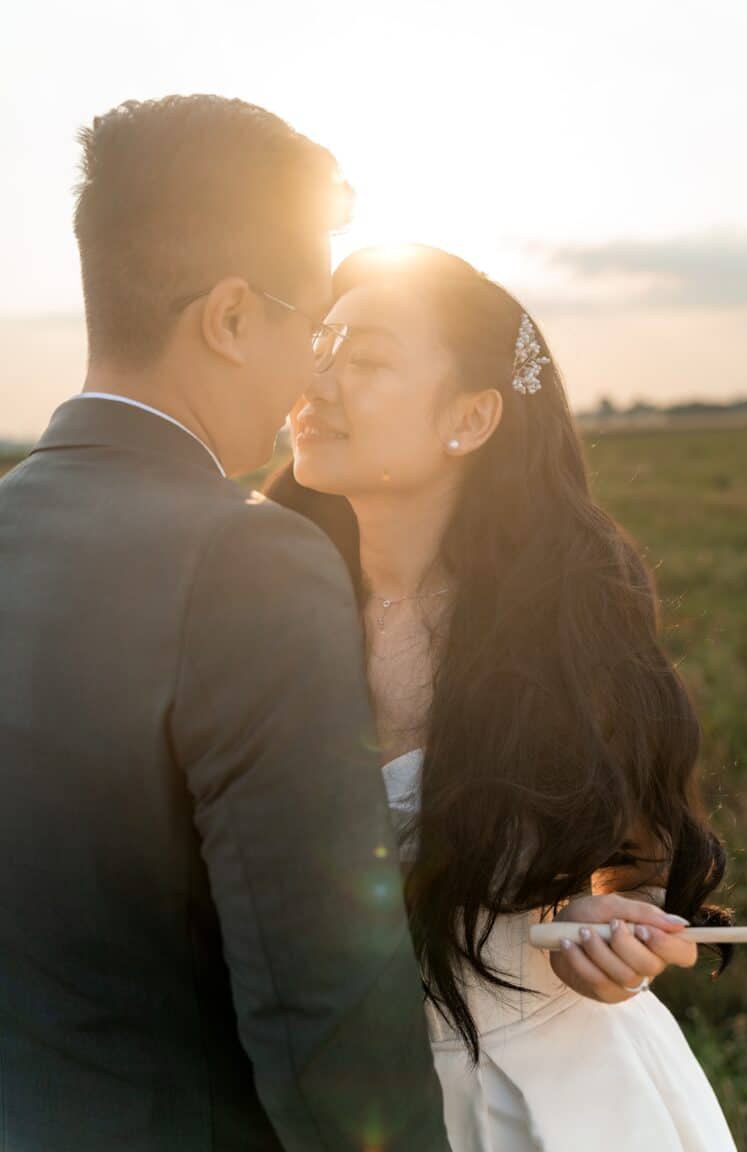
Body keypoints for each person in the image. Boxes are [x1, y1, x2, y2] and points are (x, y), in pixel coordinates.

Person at [0, 99, 452, 1152]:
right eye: (312, 328)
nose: (311, 377)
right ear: (233, 317)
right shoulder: (248, 561)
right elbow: (326, 1007)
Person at [266, 243, 739, 1151]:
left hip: (543, 1098)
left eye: (367, 361)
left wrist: (611, 939)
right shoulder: (260, 596)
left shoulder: (563, 622)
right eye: (321, 346)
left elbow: (636, 866)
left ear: (472, 417)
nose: (314, 381)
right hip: (325, 1102)